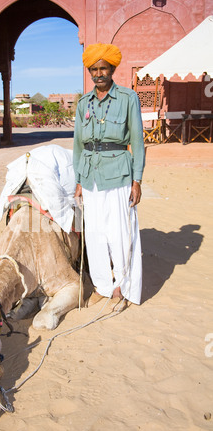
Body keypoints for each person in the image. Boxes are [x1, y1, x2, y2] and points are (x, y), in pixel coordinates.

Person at [73, 43, 145, 307]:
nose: (99, 73)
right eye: (94, 69)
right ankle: (103, 286)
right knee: (95, 235)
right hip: (90, 176)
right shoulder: (83, 103)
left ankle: (122, 287)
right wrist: (79, 180)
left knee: (120, 234)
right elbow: (78, 145)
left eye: (103, 68)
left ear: (112, 69)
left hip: (119, 174)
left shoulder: (128, 98)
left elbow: (137, 141)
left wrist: (136, 180)